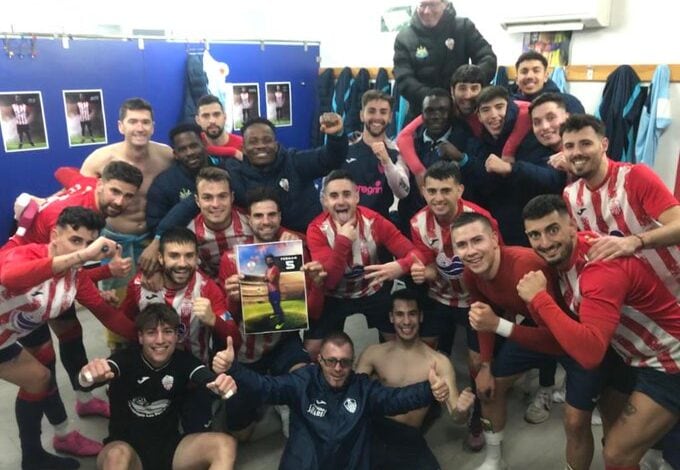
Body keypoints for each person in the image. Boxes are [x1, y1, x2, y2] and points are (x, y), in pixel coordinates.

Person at [519, 194, 680, 470]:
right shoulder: (565, 258)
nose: (544, 243)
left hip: (669, 359)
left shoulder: (598, 270)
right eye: (535, 235)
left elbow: (591, 353)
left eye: (552, 230)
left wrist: (538, 299)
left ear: (572, 226)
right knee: (609, 417)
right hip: (630, 354)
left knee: (616, 454)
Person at [451, 212, 603, 470]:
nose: (471, 251)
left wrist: (498, 325)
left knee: (575, 421)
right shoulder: (470, 274)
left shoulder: (525, 266)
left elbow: (557, 342)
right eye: (462, 245)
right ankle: (494, 461)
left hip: (575, 333)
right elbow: (483, 317)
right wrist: (485, 365)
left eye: (477, 241)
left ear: (494, 238)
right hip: (537, 328)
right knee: (489, 389)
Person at [2, 161, 142, 425]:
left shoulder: (89, 188)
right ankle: (62, 428)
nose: (120, 201)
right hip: (25, 276)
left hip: (48, 278)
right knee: (43, 362)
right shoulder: (64, 223)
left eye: (128, 195)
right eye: (114, 191)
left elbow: (62, 171)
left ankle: (79, 407)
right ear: (100, 183)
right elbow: (18, 275)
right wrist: (94, 264)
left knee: (69, 336)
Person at [0, 206, 137, 470]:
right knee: (39, 377)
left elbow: (108, 316)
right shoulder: (24, 253)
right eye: (75, 240)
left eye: (89, 243)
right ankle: (36, 456)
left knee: (40, 376)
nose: (82, 249)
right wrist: (83, 255)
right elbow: (9, 276)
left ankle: (38, 454)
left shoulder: (75, 276)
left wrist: (145, 339)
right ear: (54, 235)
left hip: (8, 336)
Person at [212, 330, 450, 470]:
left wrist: (431, 389)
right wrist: (234, 368)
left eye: (345, 362)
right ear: (319, 360)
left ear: (352, 363)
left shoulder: (362, 388)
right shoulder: (302, 382)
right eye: (331, 361)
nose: (338, 368)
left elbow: (396, 399)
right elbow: (266, 387)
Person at [80, 303, 238, 470]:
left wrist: (223, 384)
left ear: (177, 336)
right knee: (116, 456)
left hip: (170, 449)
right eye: (151, 333)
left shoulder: (184, 361)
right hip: (127, 450)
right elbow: (88, 381)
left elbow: (208, 379)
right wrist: (86, 376)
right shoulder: (125, 360)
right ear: (140, 337)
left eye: (168, 332)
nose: (160, 340)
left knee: (225, 444)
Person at [216, 188, 319, 441]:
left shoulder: (293, 250)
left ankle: (283, 398)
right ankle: (267, 390)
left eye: (272, 214)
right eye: (259, 215)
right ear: (249, 219)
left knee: (304, 377)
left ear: (280, 216)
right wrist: (231, 299)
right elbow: (224, 319)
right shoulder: (232, 259)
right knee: (241, 434)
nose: (266, 221)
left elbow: (311, 311)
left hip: (284, 340)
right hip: (246, 350)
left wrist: (315, 284)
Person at [409, 161, 499, 450]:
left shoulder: (481, 219)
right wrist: (421, 269)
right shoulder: (417, 222)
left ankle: (476, 415)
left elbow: (499, 259)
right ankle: (430, 403)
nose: (438, 198)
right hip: (438, 298)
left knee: (476, 362)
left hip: (475, 299)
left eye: (445, 190)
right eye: (431, 191)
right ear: (423, 192)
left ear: (459, 190)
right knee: (426, 350)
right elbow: (422, 256)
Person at [118, 226, 241, 432]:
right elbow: (125, 325)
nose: (182, 264)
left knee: (198, 439)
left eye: (189, 256)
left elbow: (235, 339)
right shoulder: (140, 285)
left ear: (197, 257)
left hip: (193, 381)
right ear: (160, 258)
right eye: (174, 256)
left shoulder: (207, 288)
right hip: (150, 379)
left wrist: (214, 320)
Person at [156, 114, 347, 234]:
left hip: (306, 240)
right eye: (253, 142)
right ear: (244, 147)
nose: (261, 146)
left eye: (266, 140)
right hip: (259, 246)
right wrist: (160, 235)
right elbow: (194, 201)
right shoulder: (232, 171)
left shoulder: (295, 161)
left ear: (276, 143)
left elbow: (329, 158)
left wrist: (336, 136)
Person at [560, 114, 680, 297]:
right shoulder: (570, 194)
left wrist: (635, 241)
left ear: (604, 145)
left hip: (672, 291)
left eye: (585, 143)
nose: (576, 152)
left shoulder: (635, 176)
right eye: (569, 146)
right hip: (628, 300)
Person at [306, 170, 422, 356]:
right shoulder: (316, 229)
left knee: (400, 345)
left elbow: (415, 253)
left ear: (357, 197)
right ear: (325, 201)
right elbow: (330, 280)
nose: (341, 201)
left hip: (372, 290)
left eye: (347, 194)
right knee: (312, 348)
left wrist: (402, 266)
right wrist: (343, 241)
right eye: (334, 196)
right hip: (334, 296)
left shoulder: (374, 221)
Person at [357, 289, 475, 470]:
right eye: (399, 314)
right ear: (391, 317)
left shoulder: (438, 362)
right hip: (374, 432)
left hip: (409, 438)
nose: (406, 321)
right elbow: (353, 396)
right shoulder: (374, 353)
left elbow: (456, 417)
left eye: (412, 314)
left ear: (420, 317)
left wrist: (462, 410)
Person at [393, 0, 496, 121]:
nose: (426, 11)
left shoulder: (463, 27)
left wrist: (471, 84)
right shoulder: (404, 37)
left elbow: (487, 58)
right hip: (423, 112)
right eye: (422, 5)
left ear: (445, 4)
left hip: (461, 112)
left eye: (432, 5)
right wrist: (436, 100)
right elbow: (403, 79)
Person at [341, 90, 409, 220]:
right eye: (371, 111)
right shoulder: (346, 148)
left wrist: (387, 161)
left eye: (383, 112)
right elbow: (326, 190)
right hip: (348, 222)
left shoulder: (396, 151)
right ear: (362, 115)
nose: (377, 117)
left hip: (381, 226)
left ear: (389, 117)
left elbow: (403, 192)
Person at [145, 123, 212, 237]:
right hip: (183, 246)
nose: (190, 153)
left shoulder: (221, 172)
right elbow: (156, 228)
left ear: (204, 145)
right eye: (182, 149)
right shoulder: (163, 184)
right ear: (175, 154)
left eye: (194, 146)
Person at [511, 51, 584, 114]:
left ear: (546, 76)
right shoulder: (509, 106)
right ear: (517, 79)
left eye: (536, 71)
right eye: (524, 71)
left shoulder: (569, 103)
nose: (530, 76)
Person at [195, 94, 243, 160]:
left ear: (225, 117)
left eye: (216, 114)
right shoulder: (194, 142)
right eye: (205, 116)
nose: (212, 121)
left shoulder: (242, 144)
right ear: (198, 120)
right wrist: (233, 151)